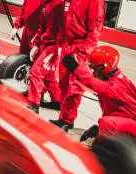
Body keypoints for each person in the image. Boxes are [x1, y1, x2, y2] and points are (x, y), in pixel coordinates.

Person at [63, 46, 136, 142]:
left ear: (103, 67)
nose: (93, 73)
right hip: (135, 122)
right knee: (104, 124)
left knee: (106, 123)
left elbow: (93, 83)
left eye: (94, 68)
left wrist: (75, 69)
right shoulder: (112, 79)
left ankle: (99, 149)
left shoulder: (117, 85)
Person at [48, 0, 105, 132]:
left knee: (74, 88)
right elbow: (64, 22)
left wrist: (82, 53)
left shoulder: (94, 2)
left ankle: (67, 120)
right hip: (68, 46)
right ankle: (63, 118)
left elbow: (94, 31)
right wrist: (60, 44)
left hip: (81, 48)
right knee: (63, 84)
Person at [24, 0, 64, 113]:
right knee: (49, 76)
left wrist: (57, 50)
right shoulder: (46, 4)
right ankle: (58, 101)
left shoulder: (60, 5)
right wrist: (36, 44)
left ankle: (33, 104)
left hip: (53, 46)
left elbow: (63, 31)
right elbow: (42, 27)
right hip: (46, 44)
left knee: (36, 72)